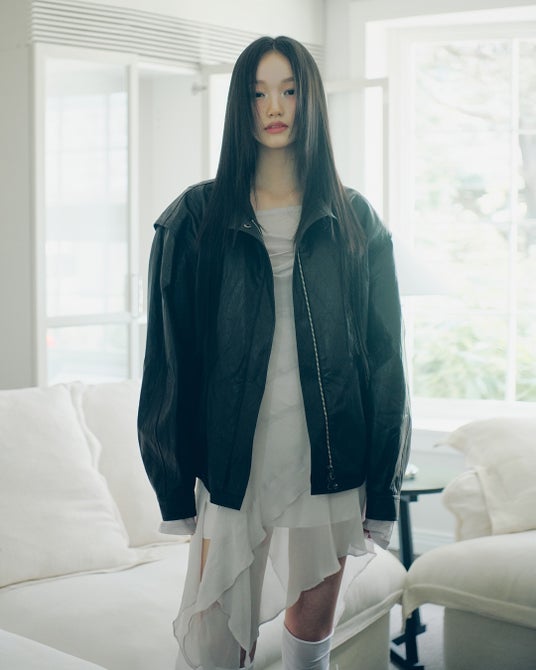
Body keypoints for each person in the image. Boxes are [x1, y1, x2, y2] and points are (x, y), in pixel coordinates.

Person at [138, 35, 410, 670]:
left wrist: (383, 485)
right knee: (216, 637)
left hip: (329, 450)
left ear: (310, 100)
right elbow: (169, 360)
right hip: (234, 456)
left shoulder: (354, 219)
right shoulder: (195, 217)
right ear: (240, 105)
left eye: (288, 90)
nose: (274, 107)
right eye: (258, 93)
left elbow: (385, 361)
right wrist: (173, 483)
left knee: (311, 634)